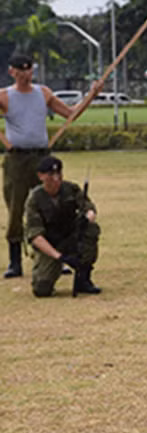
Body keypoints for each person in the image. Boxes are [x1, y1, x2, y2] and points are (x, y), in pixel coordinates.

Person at [0, 53, 78, 278]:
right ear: (12, 71)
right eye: (21, 70)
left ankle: (55, 256)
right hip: (18, 160)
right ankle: (15, 261)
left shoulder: (42, 93)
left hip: (42, 157)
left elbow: (70, 114)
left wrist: (93, 95)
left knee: (50, 206)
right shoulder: (6, 96)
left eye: (29, 70)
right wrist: (7, 143)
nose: (26, 75)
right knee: (17, 208)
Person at [23, 155, 101, 297]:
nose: (56, 178)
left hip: (70, 237)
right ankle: (50, 269)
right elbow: (35, 236)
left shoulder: (71, 189)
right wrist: (60, 257)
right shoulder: (34, 199)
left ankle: (83, 277)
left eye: (59, 173)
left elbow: (89, 207)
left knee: (90, 230)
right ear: (41, 176)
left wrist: (88, 217)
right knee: (42, 289)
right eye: (51, 175)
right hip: (49, 244)